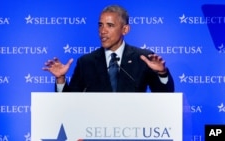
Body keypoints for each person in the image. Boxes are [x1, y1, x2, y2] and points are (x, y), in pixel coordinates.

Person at [43, 5, 174, 92]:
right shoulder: (86, 62)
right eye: (100, 25)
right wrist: (60, 79)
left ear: (125, 29)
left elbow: (165, 97)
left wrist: (162, 74)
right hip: (95, 129)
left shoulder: (143, 58)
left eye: (110, 25)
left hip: (133, 128)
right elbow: (69, 103)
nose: (103, 31)